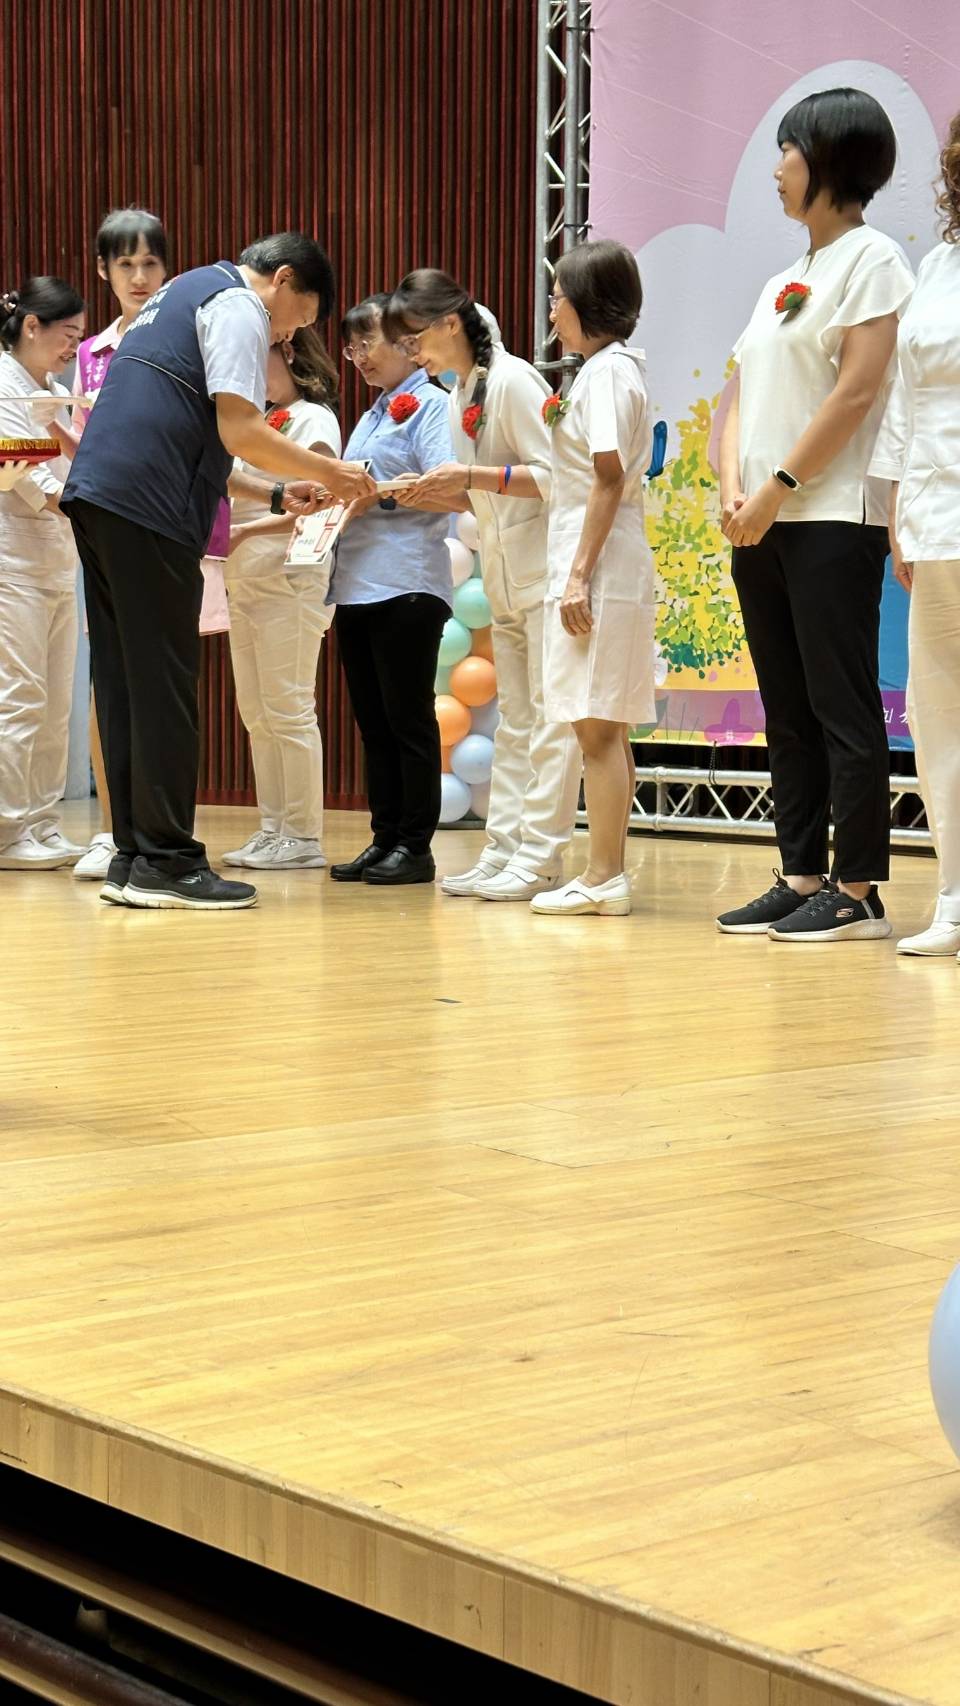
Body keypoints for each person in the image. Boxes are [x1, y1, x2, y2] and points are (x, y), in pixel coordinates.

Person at [61, 231, 375, 911]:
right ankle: (169, 862)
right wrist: (334, 473)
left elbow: (196, 436)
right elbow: (240, 429)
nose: (287, 337)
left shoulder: (183, 293)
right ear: (282, 280)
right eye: (296, 320)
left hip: (101, 495)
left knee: (124, 682)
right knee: (165, 684)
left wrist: (275, 494)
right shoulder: (238, 304)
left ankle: (132, 856)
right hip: (148, 503)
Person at [716, 88, 914, 943]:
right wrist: (733, 485)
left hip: (831, 516)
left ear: (829, 160)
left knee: (842, 706)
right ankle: (801, 875)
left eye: (788, 151)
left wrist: (778, 486)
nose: (776, 169)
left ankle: (859, 889)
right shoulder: (780, 281)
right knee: (786, 709)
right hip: (761, 524)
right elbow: (737, 396)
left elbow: (858, 390)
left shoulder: (874, 260)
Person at [383, 271, 582, 902]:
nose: (412, 353)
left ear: (450, 323)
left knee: (550, 719)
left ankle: (542, 856)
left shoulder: (516, 380)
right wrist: (415, 491)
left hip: (545, 572)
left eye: (415, 337)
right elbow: (479, 489)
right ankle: (505, 849)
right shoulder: (459, 392)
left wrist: (469, 476)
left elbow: (555, 476)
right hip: (504, 573)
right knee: (516, 720)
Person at [526, 239, 653, 918]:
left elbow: (607, 476)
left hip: (599, 567)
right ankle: (606, 872)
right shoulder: (607, 371)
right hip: (604, 561)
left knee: (597, 728)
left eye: (558, 298)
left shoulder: (606, 376)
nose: (552, 311)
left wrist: (578, 576)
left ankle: (604, 875)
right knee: (605, 725)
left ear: (587, 304)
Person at [327, 292, 455, 887]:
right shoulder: (374, 412)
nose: (358, 355)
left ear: (407, 342)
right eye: (350, 346)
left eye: (367, 342)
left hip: (406, 582)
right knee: (373, 724)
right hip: (356, 584)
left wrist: (374, 496)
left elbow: (447, 489)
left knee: (408, 721)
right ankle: (384, 839)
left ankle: (415, 846)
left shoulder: (432, 405)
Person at [871, 111, 960, 958]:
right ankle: (955, 894)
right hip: (935, 515)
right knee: (939, 714)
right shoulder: (937, 265)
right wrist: (896, 508)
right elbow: (902, 399)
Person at [71, 207, 170, 882]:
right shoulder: (91, 354)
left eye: (150, 263)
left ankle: (163, 829)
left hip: (170, 524)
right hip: (105, 526)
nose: (138, 277)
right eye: (125, 264)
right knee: (110, 677)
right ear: (103, 270)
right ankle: (114, 829)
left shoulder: (182, 335)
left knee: (167, 680)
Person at [223, 328, 342, 870]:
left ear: (288, 351)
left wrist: (246, 532)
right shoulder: (258, 421)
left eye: (259, 356)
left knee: (289, 707)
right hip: (246, 575)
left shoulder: (314, 418)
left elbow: (322, 501)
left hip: (291, 577)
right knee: (257, 712)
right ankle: (273, 828)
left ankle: (302, 835)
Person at [0, 277, 86, 870]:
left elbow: (70, 463)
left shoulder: (53, 391)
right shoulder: (4, 383)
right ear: (32, 326)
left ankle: (42, 821)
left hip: (58, 560)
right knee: (20, 697)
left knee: (56, 703)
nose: (73, 348)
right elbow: (21, 471)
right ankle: (8, 830)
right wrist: (82, 503)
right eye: (68, 335)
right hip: (13, 563)